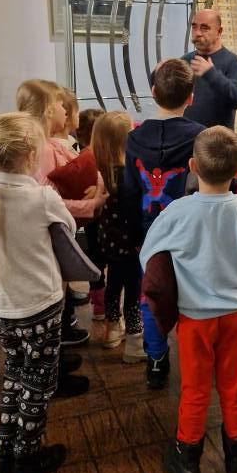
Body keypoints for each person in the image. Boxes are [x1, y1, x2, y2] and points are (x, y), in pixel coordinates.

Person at [140, 126, 237, 473]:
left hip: (194, 318)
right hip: (235, 314)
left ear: (192, 167)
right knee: (233, 385)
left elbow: (149, 257)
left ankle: (188, 461)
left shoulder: (177, 211)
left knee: (194, 388)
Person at [0, 113, 74, 473]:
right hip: (41, 305)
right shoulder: (41, 197)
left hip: (2, 307)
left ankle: (3, 454)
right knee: (38, 383)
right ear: (29, 155)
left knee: (14, 373)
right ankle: (27, 456)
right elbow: (68, 229)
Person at [124, 58, 205, 388]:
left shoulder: (134, 139)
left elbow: (130, 191)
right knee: (190, 293)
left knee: (151, 292)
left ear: (153, 92)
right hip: (190, 232)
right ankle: (191, 355)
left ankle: (156, 359)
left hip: (149, 231)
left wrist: (134, 236)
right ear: (191, 98)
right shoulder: (200, 136)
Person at [16, 79, 107, 363]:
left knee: (58, 294)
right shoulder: (43, 149)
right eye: (60, 104)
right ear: (47, 110)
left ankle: (55, 352)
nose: (66, 110)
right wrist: (93, 204)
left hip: (51, 232)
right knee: (52, 297)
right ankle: (52, 359)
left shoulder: (43, 145)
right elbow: (48, 201)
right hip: (48, 234)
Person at [91, 111, 145, 360]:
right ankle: (135, 341)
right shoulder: (129, 175)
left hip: (109, 243)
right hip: (131, 244)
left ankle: (112, 329)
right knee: (134, 290)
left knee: (113, 283)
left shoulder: (99, 172)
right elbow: (134, 213)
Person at [182, 9, 237, 129]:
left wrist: (211, 74)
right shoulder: (185, 61)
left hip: (217, 139)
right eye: (194, 27)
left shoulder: (232, 62)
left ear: (219, 31)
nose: (197, 33)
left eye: (204, 28)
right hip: (186, 137)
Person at [76, 108, 106, 319]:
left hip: (89, 216)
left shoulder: (80, 155)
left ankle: (98, 305)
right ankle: (104, 304)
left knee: (95, 258)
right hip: (105, 215)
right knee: (107, 258)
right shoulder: (101, 156)